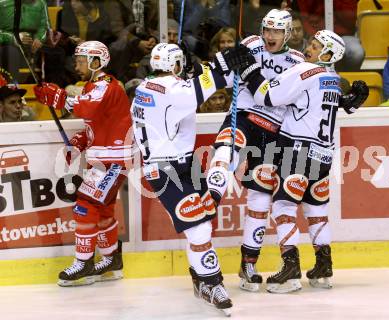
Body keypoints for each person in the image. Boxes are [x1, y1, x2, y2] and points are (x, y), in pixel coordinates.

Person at [233, 29, 368, 293]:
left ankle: (290, 268)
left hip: (297, 151)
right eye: (312, 42)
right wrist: (350, 103)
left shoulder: (304, 70)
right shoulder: (332, 77)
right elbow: (333, 105)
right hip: (324, 154)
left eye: (317, 46)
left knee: (283, 205)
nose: (310, 47)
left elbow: (267, 97)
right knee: (316, 211)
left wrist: (248, 70)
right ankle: (323, 267)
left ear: (328, 54)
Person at [131, 42, 249, 315]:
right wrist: (222, 61)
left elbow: (184, 91)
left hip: (183, 163)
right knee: (199, 228)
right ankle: (211, 283)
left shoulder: (146, 87)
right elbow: (205, 87)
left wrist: (199, 69)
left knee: (203, 219)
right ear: (175, 65)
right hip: (166, 170)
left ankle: (199, 276)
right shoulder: (171, 91)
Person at [205, 9, 305, 293]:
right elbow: (219, 71)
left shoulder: (297, 62)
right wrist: (213, 57)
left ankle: (248, 264)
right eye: (267, 29)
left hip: (273, 130)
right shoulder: (249, 44)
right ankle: (211, 197)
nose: (270, 36)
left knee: (260, 201)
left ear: (288, 33)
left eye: (276, 31)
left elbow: (280, 93)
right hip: (244, 117)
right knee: (226, 152)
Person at [33, 41, 132, 287]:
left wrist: (57, 97)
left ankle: (84, 262)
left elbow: (84, 107)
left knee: (85, 205)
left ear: (96, 62)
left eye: (80, 61)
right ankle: (111, 260)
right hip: (103, 160)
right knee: (104, 209)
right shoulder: (91, 86)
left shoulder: (107, 85)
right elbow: (93, 126)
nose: (76, 65)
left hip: (113, 160)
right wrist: (78, 145)